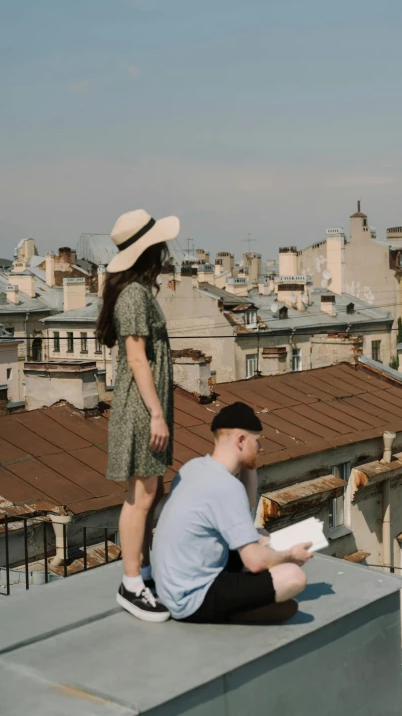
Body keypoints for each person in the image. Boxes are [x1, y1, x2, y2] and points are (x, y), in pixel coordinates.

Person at [152, 402, 313, 624]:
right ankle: (235, 612)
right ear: (240, 440)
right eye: (257, 442)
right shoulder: (226, 487)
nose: (261, 448)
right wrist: (290, 556)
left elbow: (244, 511)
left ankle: (245, 602)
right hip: (190, 600)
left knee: (260, 536)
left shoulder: (194, 467)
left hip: (172, 585)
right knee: (294, 577)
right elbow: (255, 562)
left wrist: (249, 461)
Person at [97, 208, 180, 622]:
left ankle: (142, 572)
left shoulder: (137, 291)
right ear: (148, 251)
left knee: (151, 492)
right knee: (140, 496)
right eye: (159, 247)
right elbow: (137, 359)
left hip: (145, 406)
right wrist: (156, 415)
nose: (165, 252)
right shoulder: (132, 295)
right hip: (140, 408)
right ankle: (131, 586)